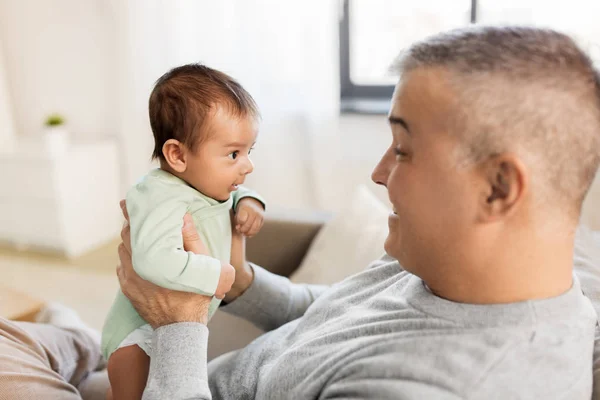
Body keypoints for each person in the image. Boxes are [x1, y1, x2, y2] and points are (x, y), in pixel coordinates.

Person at [116, 26, 600, 399]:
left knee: (40, 341)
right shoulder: (456, 264)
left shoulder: (442, 386)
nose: (379, 172)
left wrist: (179, 324)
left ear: (498, 187)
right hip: (194, 375)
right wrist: (244, 283)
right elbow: (335, 316)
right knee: (62, 335)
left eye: (404, 149)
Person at [101, 64, 266, 399]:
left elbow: (229, 196)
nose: (248, 165)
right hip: (137, 334)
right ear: (177, 154)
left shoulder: (203, 182)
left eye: (250, 151)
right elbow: (152, 259)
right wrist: (215, 273)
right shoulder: (159, 194)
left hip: (176, 325)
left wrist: (249, 200)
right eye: (234, 153)